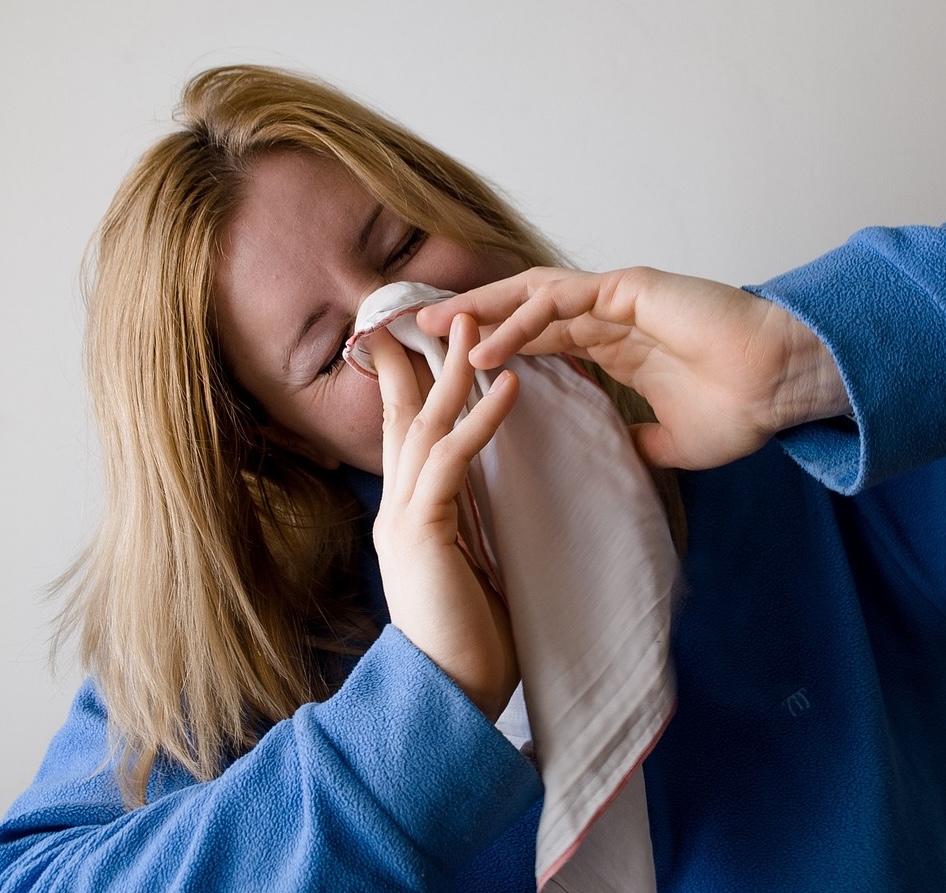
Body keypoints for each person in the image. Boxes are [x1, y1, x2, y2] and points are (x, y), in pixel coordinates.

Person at [0, 62, 943, 892]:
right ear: (284, 444)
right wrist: (419, 705)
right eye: (335, 351)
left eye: (403, 246)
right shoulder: (249, 641)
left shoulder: (809, 437)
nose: (423, 317)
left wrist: (802, 359)